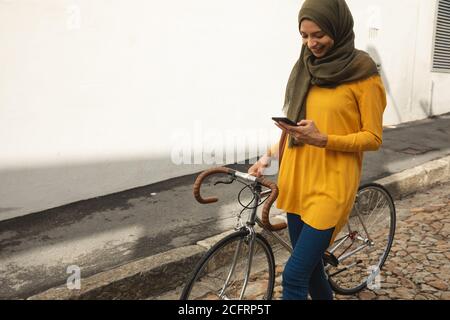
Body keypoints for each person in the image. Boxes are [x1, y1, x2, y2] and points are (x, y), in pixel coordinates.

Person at [248, 0, 387, 300]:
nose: (311, 43)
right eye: (304, 36)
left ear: (338, 29)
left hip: (331, 186)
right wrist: (269, 157)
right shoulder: (305, 68)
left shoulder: (364, 74)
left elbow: (373, 137)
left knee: (295, 274)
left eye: (319, 35)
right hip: (296, 183)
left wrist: (325, 139)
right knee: (311, 271)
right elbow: (296, 130)